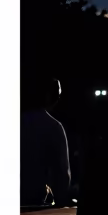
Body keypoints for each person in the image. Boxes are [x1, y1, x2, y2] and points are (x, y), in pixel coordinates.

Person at [20, 76, 72, 207]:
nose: (58, 98)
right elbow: (62, 173)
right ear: (48, 95)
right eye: (57, 93)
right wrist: (62, 202)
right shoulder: (53, 126)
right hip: (33, 200)